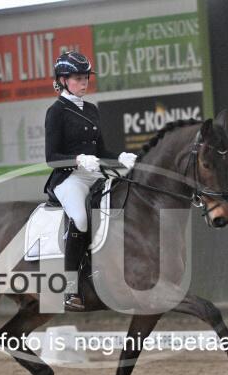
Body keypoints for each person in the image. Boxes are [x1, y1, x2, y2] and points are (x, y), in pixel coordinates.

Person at [43, 51, 137, 310]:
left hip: (94, 174)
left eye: (86, 78)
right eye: (77, 78)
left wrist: (120, 158)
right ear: (63, 80)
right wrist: (78, 160)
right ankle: (69, 289)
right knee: (81, 219)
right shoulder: (56, 112)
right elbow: (51, 158)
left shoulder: (92, 110)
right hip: (68, 178)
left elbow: (101, 151)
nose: (84, 83)